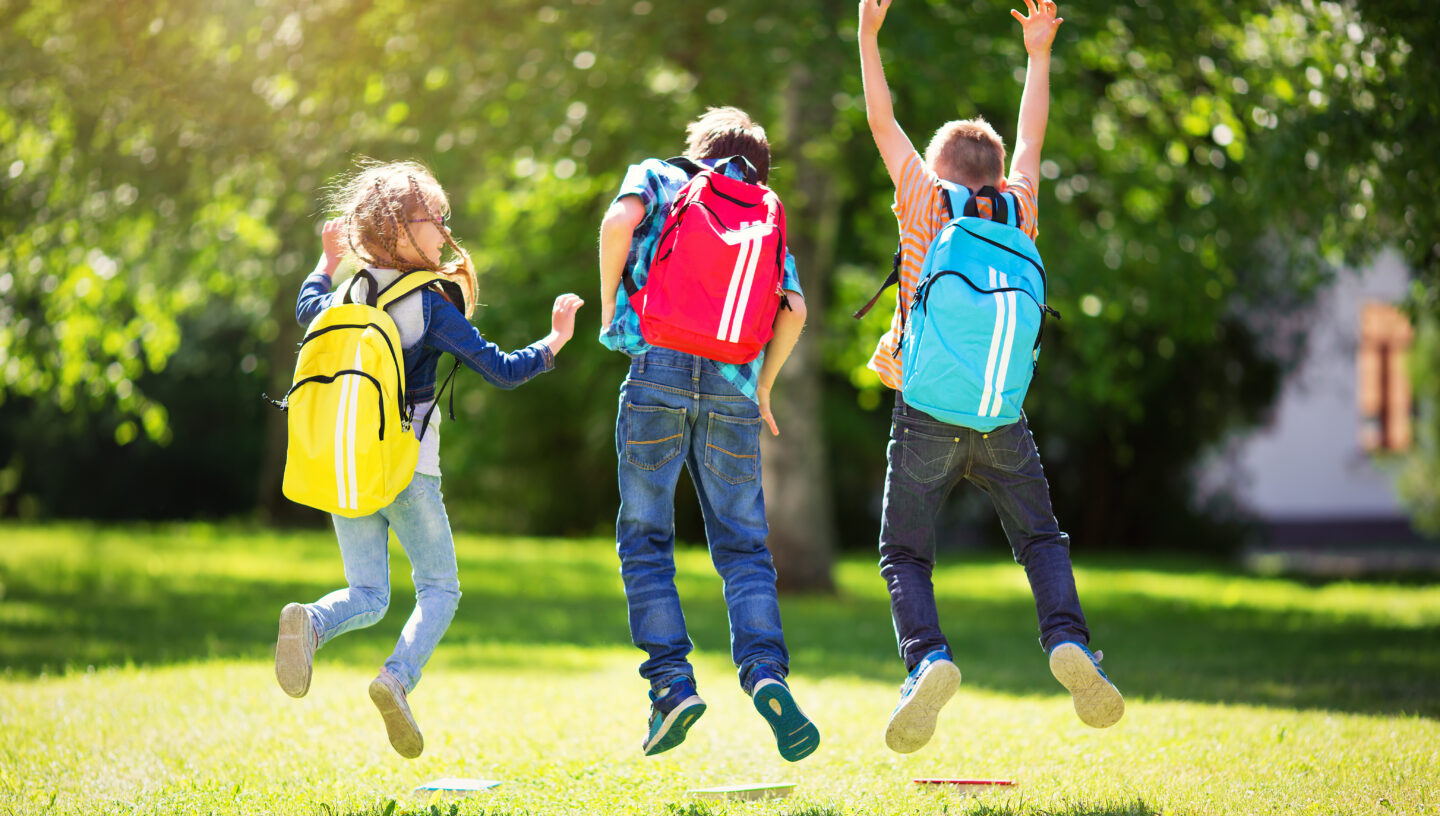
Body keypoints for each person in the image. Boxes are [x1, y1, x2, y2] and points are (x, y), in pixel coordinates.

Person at [857, 0, 1124, 754]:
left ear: (938, 169)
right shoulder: (1021, 206)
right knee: (1040, 536)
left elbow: (882, 122)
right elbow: (1034, 133)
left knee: (905, 553)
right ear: (996, 173)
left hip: (923, 410)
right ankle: (1069, 641)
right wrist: (1038, 51)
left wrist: (868, 35)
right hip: (1001, 410)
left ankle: (928, 660)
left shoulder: (920, 199)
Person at [274, 160, 584, 758]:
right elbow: (502, 368)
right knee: (440, 587)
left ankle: (309, 622)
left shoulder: (343, 294)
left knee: (367, 592)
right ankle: (395, 679)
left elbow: (305, 304)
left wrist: (325, 259)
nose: (444, 232)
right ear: (400, 227)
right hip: (408, 467)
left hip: (348, 467)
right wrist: (555, 341)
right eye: (435, 220)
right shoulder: (431, 305)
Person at [596, 107, 820, 761]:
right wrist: (766, 385)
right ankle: (766, 674)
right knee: (745, 549)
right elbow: (796, 308)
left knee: (645, 540)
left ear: (698, 148)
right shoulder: (765, 207)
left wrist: (611, 305)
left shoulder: (662, 178)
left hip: (656, 365)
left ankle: (671, 686)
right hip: (734, 386)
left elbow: (617, 222)